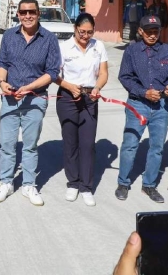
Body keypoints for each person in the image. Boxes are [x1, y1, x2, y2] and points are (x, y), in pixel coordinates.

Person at [0, 0, 61, 206]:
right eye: (23, 12)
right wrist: (3, 82)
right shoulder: (9, 36)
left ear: (38, 13)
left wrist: (29, 88)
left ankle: (29, 184)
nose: (27, 16)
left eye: (31, 12)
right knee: (7, 144)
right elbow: (2, 62)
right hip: (10, 100)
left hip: (35, 99)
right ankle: (6, 182)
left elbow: (52, 72)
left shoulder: (49, 39)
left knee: (30, 145)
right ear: (18, 14)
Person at [116, 15, 168, 204]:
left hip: (161, 106)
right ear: (141, 31)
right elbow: (124, 77)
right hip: (138, 104)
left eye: (156, 31)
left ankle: (149, 185)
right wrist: (144, 92)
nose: (153, 35)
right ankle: (123, 183)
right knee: (130, 145)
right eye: (149, 31)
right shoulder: (132, 51)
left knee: (157, 148)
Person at [54, 13, 108, 206]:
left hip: (90, 98)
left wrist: (97, 88)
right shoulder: (63, 47)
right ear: (75, 29)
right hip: (68, 98)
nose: (86, 36)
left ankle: (86, 186)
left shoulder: (98, 46)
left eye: (90, 32)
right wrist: (69, 86)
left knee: (87, 144)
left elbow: (103, 73)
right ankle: (73, 183)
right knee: (71, 142)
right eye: (82, 32)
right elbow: (55, 75)